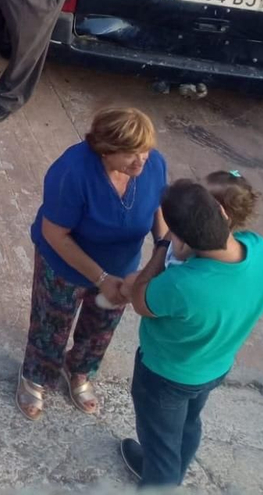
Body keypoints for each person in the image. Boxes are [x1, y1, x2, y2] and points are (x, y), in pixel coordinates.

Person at [118, 180, 263, 487]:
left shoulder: (182, 284)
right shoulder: (262, 252)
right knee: (188, 425)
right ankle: (163, 468)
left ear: (182, 242)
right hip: (215, 366)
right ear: (222, 213)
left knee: (161, 444)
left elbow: (140, 299)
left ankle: (160, 477)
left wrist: (163, 245)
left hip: (166, 377)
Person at [17, 108, 169, 421]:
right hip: (65, 264)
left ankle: (79, 369)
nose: (141, 162)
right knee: (51, 323)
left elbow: (158, 208)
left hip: (123, 266)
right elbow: (55, 233)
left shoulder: (154, 164)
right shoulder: (72, 171)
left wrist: (162, 249)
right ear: (105, 149)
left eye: (145, 151)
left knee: (101, 327)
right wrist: (100, 278)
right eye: (130, 154)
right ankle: (37, 375)